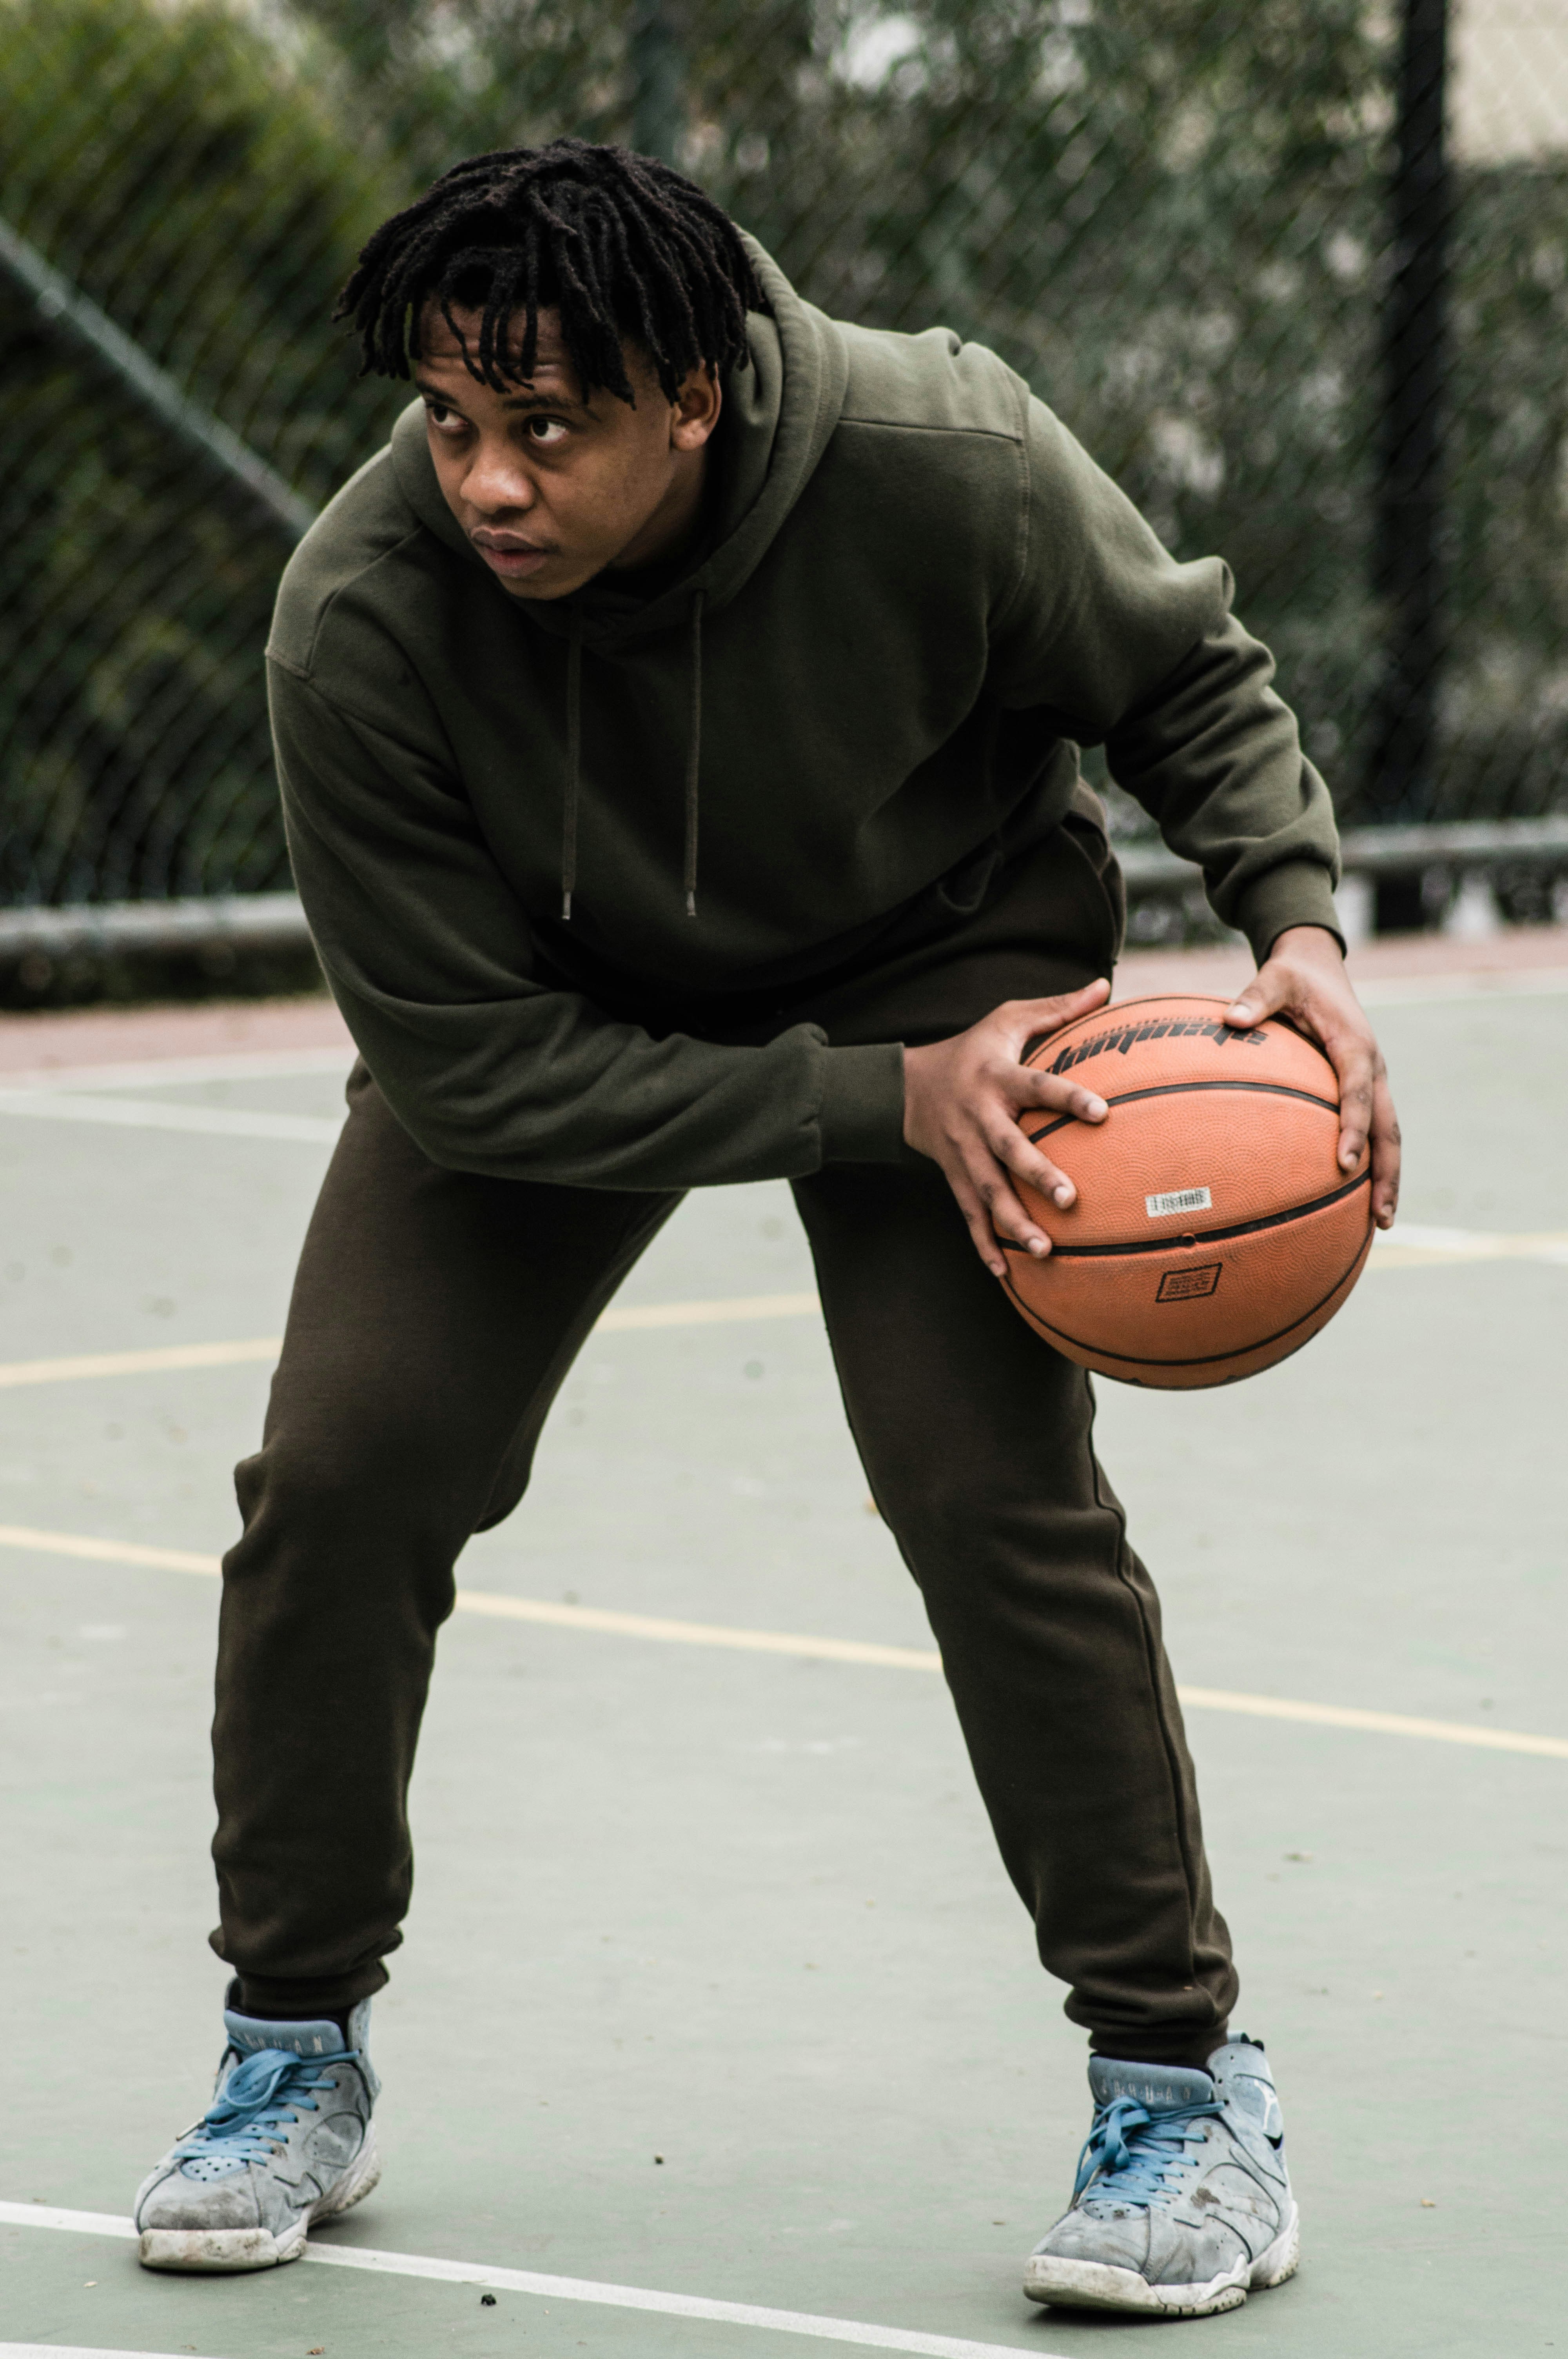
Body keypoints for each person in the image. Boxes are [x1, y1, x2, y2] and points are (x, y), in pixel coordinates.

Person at [131, 138, 1400, 2318]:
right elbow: (471, 1073)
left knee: (989, 1495)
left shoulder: (945, 458)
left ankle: (1188, 2094)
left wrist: (1298, 928)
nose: (488, 481)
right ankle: (287, 2045)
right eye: (451, 422)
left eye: (549, 428)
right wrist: (848, 1104)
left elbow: (1184, 677)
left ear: (694, 397)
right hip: (562, 1005)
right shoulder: (363, 616)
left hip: (950, 974)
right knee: (344, 1474)